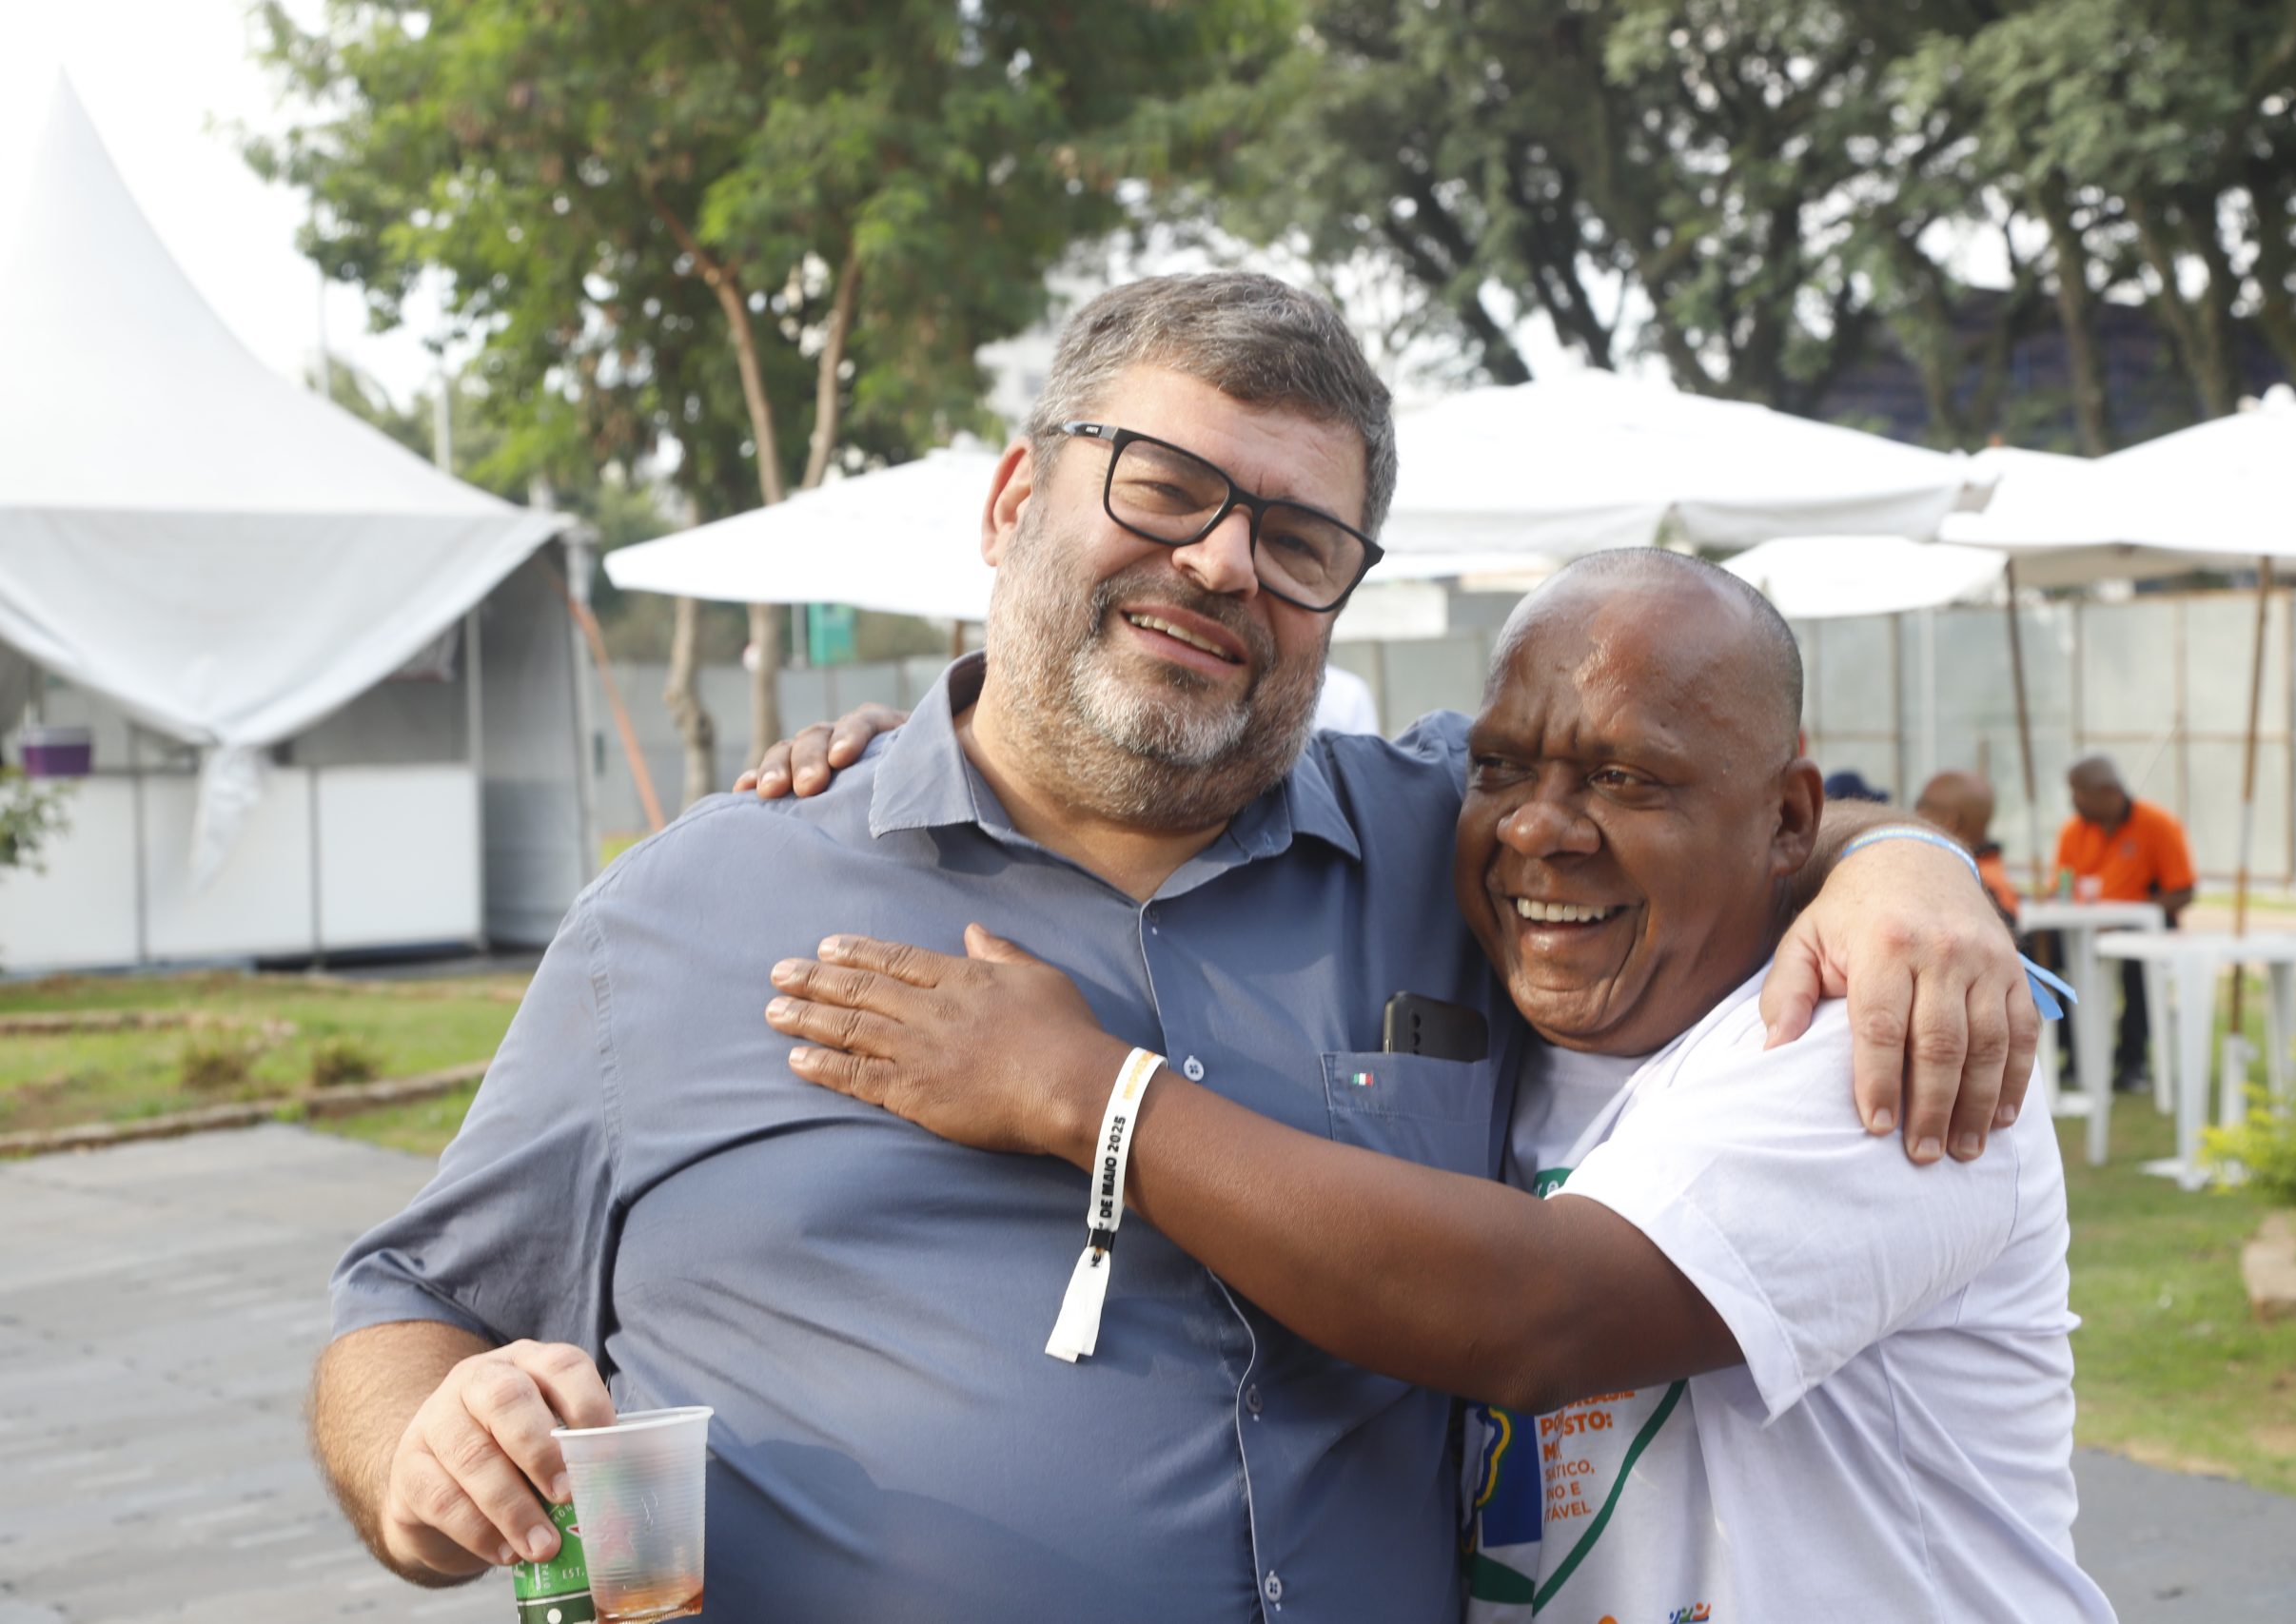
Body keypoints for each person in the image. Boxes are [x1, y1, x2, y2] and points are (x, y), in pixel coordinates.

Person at [312, 272, 2034, 1623]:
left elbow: (1691, 810)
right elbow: (411, 1304)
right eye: (1166, 486)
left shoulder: (1450, 839)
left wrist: (1908, 868)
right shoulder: (692, 909)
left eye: (1297, 539)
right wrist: (423, 1450)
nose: (1221, 560)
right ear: (1015, 498)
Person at [764, 550, 2110, 1619]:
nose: (1539, 828)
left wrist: (1086, 1094)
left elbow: (1535, 1316)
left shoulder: (1886, 1042)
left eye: (1626, 777)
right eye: (1501, 766)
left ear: (1789, 820)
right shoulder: (1493, 1001)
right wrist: (973, 747)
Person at [2053, 753, 2195, 1091]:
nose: (2074, 801)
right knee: (2046, 957)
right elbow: (2061, 887)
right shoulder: (2073, 831)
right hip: (2082, 928)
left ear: (2108, 791)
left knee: (2137, 965)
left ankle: (2133, 1061)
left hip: (2143, 927)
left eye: (2080, 793)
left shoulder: (2157, 825)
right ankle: (2077, 1054)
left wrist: (2130, 917)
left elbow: (2182, 891)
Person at [1917, 767, 2022, 926]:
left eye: (1922, 806)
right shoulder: (1992, 874)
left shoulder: (1968, 884)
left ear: (1948, 820)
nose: (1915, 815)